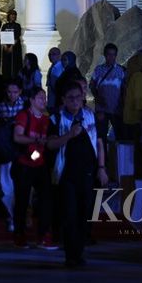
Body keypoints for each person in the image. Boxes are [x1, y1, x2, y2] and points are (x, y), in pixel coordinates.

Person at [48, 82, 107, 267]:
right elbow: (50, 144)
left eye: (78, 97)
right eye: (70, 98)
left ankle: (79, 252)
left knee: (84, 214)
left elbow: (99, 143)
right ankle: (70, 255)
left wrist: (102, 167)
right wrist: (69, 135)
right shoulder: (56, 119)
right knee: (70, 214)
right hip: (66, 174)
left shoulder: (89, 116)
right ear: (63, 100)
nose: (75, 101)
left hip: (88, 173)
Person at [11, 88, 56, 249]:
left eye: (45, 98)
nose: (44, 101)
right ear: (31, 100)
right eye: (40, 98)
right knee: (22, 201)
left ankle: (43, 235)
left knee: (46, 199)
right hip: (24, 164)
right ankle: (19, 235)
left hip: (40, 162)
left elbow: (49, 140)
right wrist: (35, 139)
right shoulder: (24, 116)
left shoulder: (46, 120)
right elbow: (17, 136)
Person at [0, 80, 25, 232]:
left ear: (20, 92)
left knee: (22, 185)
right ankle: (11, 217)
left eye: (15, 92)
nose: (12, 95)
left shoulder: (25, 106)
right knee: (7, 185)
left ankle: (20, 216)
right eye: (10, 92)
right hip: (5, 150)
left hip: (21, 149)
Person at [89, 43, 126, 140]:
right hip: (102, 108)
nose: (111, 57)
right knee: (101, 136)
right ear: (105, 55)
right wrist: (97, 97)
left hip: (116, 108)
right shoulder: (98, 69)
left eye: (113, 54)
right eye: (109, 54)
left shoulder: (121, 70)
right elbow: (92, 84)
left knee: (120, 135)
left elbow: (124, 88)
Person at [121, 51, 142, 142]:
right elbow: (140, 96)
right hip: (136, 117)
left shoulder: (130, 74)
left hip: (128, 117)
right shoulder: (138, 75)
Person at [0, 9, 22, 79]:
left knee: (14, 64)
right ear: (9, 16)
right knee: (6, 64)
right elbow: (2, 35)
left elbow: (17, 36)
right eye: (11, 14)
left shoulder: (17, 25)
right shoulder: (4, 25)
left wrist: (12, 47)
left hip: (14, 47)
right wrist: (5, 46)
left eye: (14, 15)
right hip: (6, 47)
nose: (13, 16)